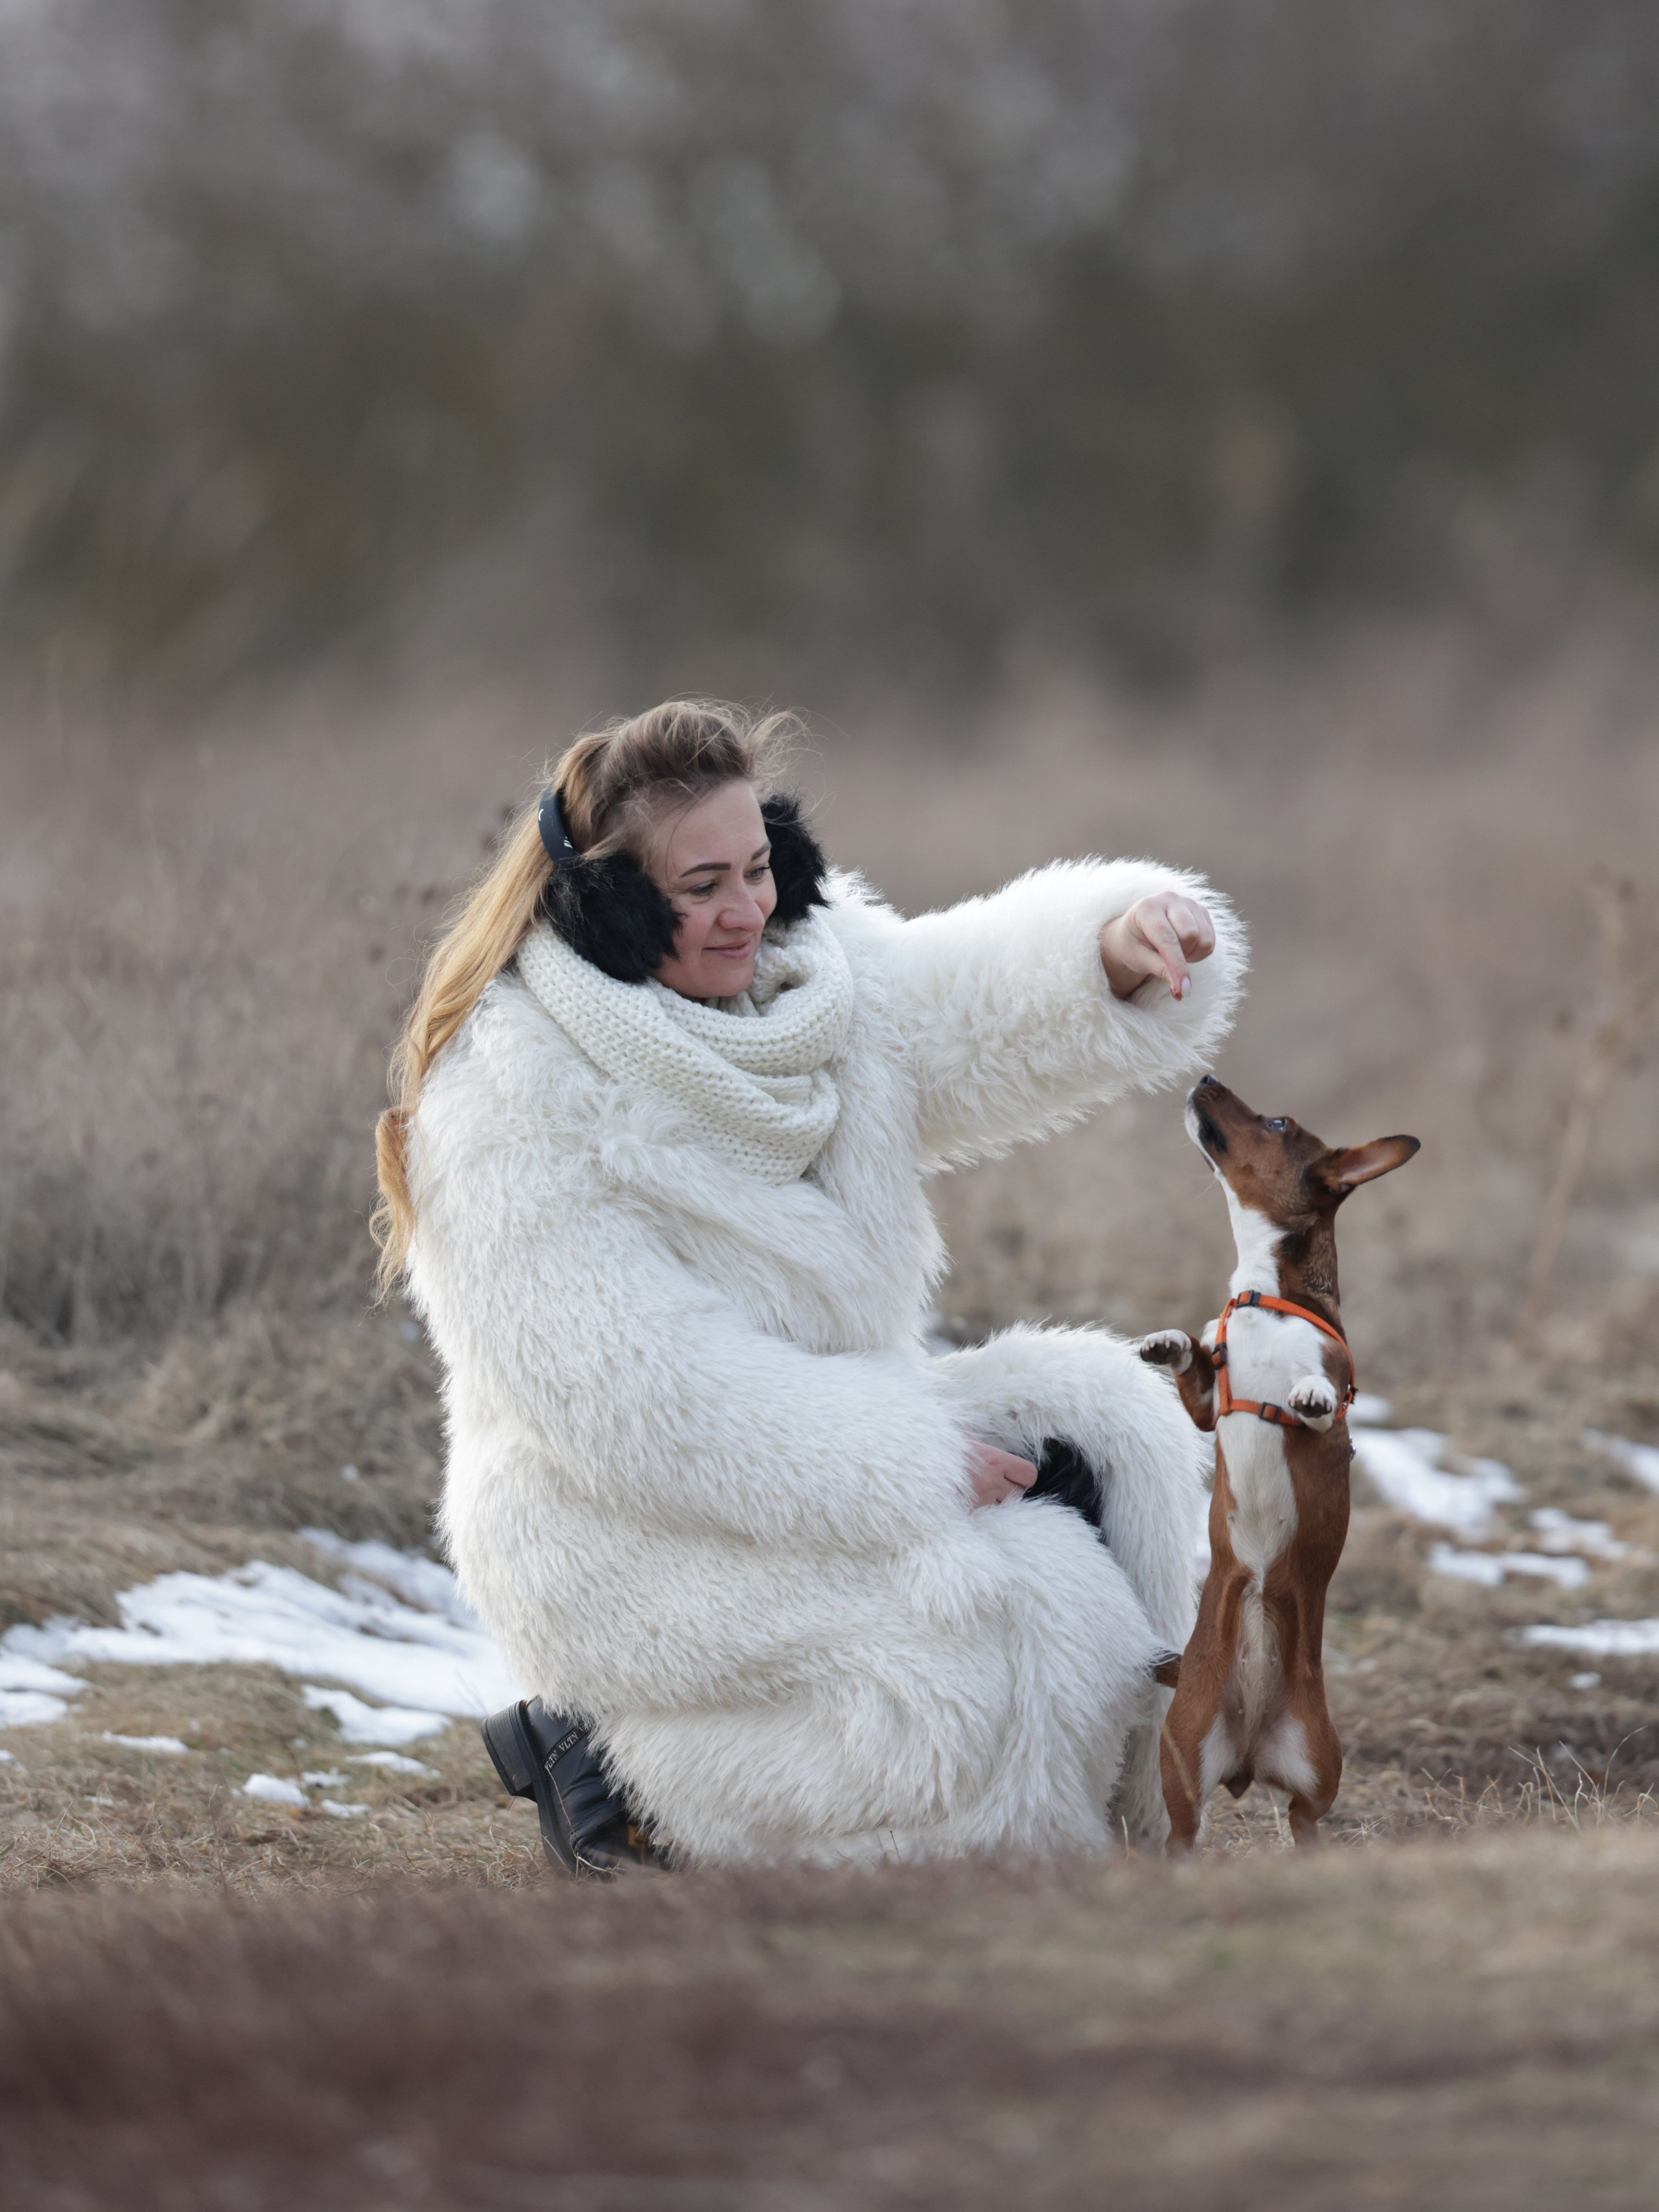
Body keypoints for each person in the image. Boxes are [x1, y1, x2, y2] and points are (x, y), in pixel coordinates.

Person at [373, 701, 1246, 1870]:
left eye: (759, 866)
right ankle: (633, 1782)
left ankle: (1147, 1825)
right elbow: (642, 1399)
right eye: (702, 887)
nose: (749, 910)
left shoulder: (813, 987)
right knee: (998, 1627)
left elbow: (965, 1004)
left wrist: (1112, 949)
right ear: (609, 902)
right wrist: (914, 1466)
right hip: (624, 1532)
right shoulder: (507, 1102)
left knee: (1115, 1419)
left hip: (830, 1446)